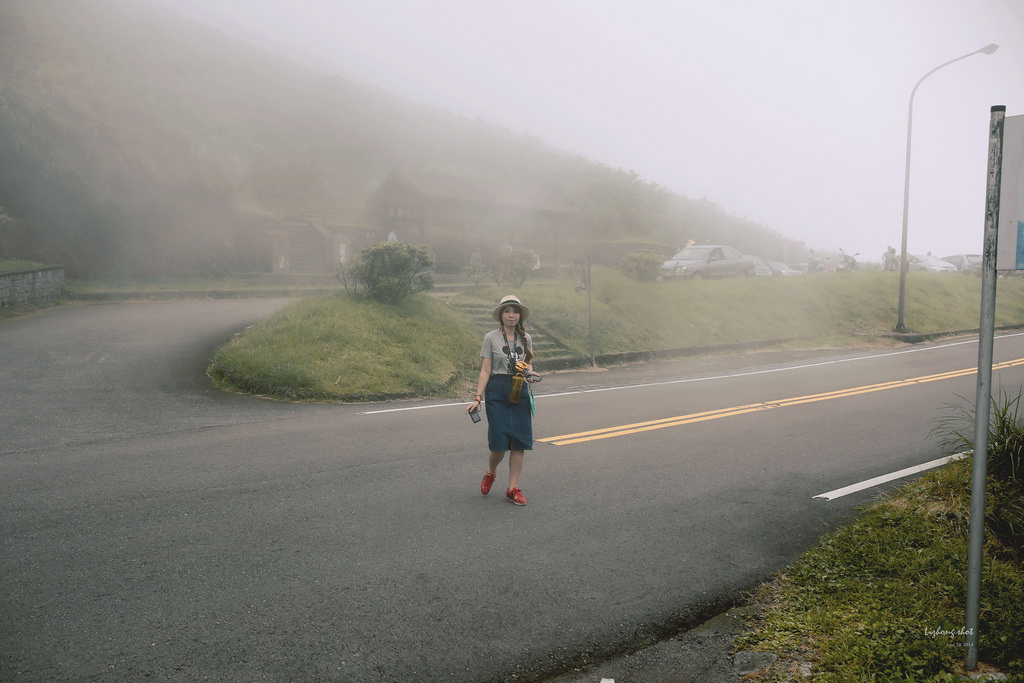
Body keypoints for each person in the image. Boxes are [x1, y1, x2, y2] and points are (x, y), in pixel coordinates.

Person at [466, 294, 540, 506]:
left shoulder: (527, 339)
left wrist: (530, 373)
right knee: (498, 443)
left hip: (519, 390)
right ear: (501, 315)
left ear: (520, 316)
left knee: (519, 442)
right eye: (507, 311)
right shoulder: (490, 338)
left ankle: (512, 489)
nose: (511, 315)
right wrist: (478, 397)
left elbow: (529, 365)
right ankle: (491, 472)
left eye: (515, 311)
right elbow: (486, 369)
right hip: (497, 391)